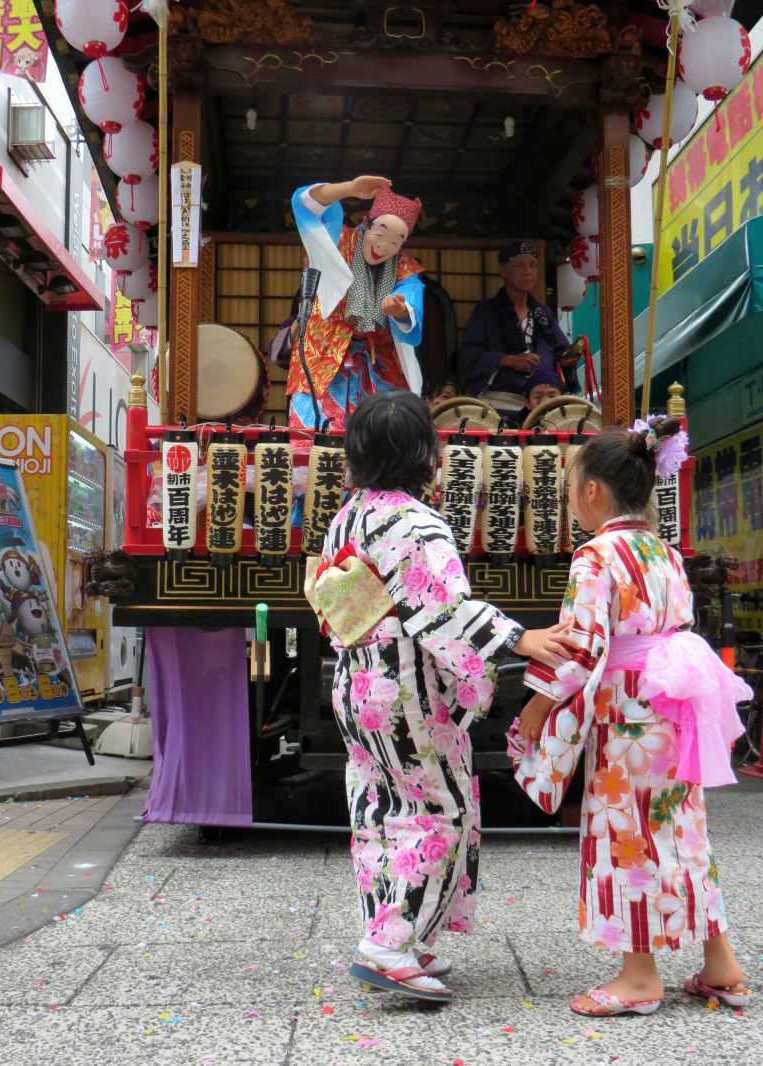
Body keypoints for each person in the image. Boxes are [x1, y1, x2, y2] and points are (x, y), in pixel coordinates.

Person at [306, 392, 574, 1002]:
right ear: (426, 453)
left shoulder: (347, 517)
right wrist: (518, 637)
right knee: (439, 813)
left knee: (380, 810)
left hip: (357, 679)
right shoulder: (416, 522)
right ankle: (388, 943)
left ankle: (402, 930)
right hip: (406, 689)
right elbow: (443, 612)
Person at [507, 418, 753, 1018]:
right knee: (681, 827)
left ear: (593, 491)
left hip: (628, 712)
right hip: (675, 704)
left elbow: (582, 646)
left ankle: (640, 977)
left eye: (572, 490)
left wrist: (539, 703)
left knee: (628, 832)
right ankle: (720, 962)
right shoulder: (663, 552)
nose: (572, 501)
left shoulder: (597, 555)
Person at [288, 176, 424, 432]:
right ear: (366, 223)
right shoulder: (338, 240)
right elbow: (304, 203)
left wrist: (402, 310)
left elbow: (412, 299)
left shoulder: (404, 266)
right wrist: (348, 189)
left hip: (376, 368)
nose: (384, 246)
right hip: (322, 360)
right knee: (315, 446)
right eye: (380, 233)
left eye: (396, 242)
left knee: (380, 443)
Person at [459, 241, 579, 423]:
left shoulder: (542, 313)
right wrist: (509, 360)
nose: (528, 271)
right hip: (498, 403)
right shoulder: (486, 311)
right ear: (503, 271)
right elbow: (471, 356)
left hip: (541, 404)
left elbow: (559, 352)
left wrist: (567, 360)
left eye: (532, 265)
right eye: (520, 265)